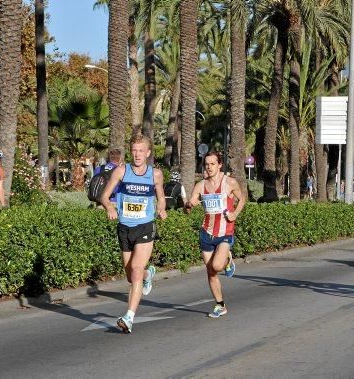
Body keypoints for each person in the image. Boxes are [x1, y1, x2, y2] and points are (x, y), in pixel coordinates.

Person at [100, 134, 167, 334]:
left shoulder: (155, 174)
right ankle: (149, 274)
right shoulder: (121, 171)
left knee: (136, 269)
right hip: (124, 227)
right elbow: (104, 195)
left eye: (141, 151)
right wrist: (110, 208)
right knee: (131, 275)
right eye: (134, 150)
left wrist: (161, 209)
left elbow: (161, 198)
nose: (137, 155)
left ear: (148, 153)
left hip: (145, 226)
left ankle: (129, 317)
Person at [183, 151, 245, 318]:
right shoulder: (200, 186)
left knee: (217, 266)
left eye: (212, 164)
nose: (209, 167)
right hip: (206, 232)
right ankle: (220, 305)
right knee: (211, 271)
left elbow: (242, 199)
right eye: (207, 164)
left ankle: (227, 259)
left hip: (225, 231)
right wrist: (188, 206)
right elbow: (189, 209)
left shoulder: (229, 183)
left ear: (219, 165)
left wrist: (234, 214)